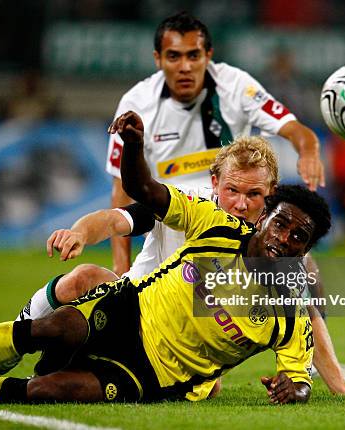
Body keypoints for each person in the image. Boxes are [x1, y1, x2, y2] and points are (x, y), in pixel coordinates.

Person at [0, 112, 333, 406]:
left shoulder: (288, 303)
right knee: (74, 300)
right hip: (132, 305)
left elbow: (299, 360)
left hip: (156, 372)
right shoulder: (206, 216)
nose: (242, 203)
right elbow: (130, 205)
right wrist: (129, 154)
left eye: (253, 195)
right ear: (216, 183)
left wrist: (306, 384)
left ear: (267, 197)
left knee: (51, 390)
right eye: (233, 190)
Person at [105, 12, 325, 276]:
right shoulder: (137, 103)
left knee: (305, 273)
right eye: (174, 56)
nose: (185, 66)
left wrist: (309, 152)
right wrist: (120, 265)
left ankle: (311, 317)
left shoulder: (236, 86)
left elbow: (294, 129)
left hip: (234, 219)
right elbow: (121, 191)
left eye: (193, 55)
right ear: (158, 59)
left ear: (208, 55)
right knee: (132, 302)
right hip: (172, 223)